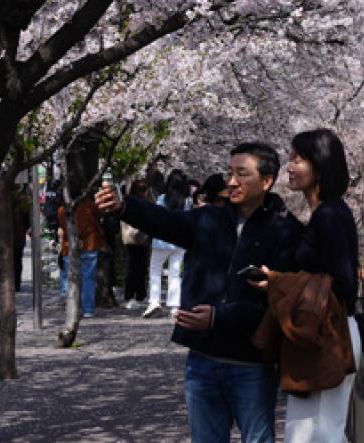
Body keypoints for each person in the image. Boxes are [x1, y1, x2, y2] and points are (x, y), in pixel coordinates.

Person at [98, 143, 298, 443]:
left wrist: (219, 317)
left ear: (267, 181)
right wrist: (124, 206)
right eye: (229, 173)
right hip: (202, 360)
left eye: (242, 174)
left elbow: (278, 301)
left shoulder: (285, 232)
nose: (231, 182)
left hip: (252, 365)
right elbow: (165, 221)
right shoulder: (210, 219)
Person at [251, 129, 362, 443]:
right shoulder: (324, 214)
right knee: (307, 431)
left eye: (298, 159)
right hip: (319, 331)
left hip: (332, 331)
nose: (290, 167)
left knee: (322, 431)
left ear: (320, 164)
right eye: (291, 159)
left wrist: (279, 283)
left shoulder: (330, 215)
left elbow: (342, 285)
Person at [145, 170, 194, 319]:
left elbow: (157, 218)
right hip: (179, 242)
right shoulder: (186, 202)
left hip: (161, 241)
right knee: (175, 274)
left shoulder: (162, 199)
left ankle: (154, 302)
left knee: (155, 271)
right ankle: (175, 306)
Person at [58, 193, 106, 318]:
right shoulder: (88, 206)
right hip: (89, 245)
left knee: (71, 278)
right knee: (88, 279)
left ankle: (72, 308)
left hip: (69, 246)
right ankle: (88, 309)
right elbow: (101, 212)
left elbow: (63, 226)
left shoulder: (62, 210)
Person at [122, 175, 154, 309]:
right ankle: (134, 295)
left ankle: (136, 295)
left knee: (136, 267)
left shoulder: (132, 200)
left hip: (134, 238)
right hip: (138, 238)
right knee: (137, 267)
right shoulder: (136, 202)